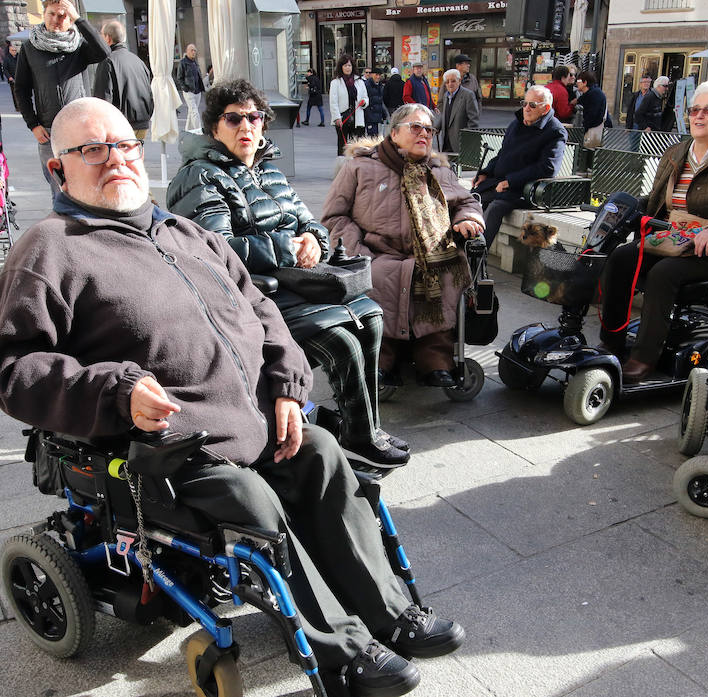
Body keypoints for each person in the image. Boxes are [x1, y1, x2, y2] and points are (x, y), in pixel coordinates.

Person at [0, 97, 465, 696]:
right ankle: (341, 653)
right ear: (57, 167)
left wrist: (289, 389)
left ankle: (392, 616)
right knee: (252, 502)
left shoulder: (185, 231)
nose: (114, 159)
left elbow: (265, 312)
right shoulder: (51, 249)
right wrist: (115, 389)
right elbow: (15, 369)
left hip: (262, 419)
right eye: (91, 149)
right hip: (167, 449)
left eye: (124, 145)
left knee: (323, 455)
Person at [166, 80, 407, 468]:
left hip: (296, 286)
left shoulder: (269, 170)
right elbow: (216, 251)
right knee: (341, 340)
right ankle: (360, 437)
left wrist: (313, 238)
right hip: (250, 298)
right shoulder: (201, 176)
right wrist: (286, 247)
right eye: (233, 119)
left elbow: (310, 220)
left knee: (372, 317)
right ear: (215, 128)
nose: (246, 126)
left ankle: (363, 427)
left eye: (253, 117)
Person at [599, 80, 708, 382]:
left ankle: (643, 358)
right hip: (671, 238)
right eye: (694, 109)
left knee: (664, 273)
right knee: (621, 257)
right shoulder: (677, 151)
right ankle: (611, 341)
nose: (698, 116)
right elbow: (653, 201)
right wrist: (618, 214)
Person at [321, 104, 485, 388]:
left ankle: (435, 360)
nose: (425, 134)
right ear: (394, 133)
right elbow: (334, 216)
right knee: (379, 276)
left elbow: (468, 202)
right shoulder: (360, 166)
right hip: (376, 252)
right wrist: (356, 250)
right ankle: (382, 360)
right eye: (416, 127)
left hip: (432, 253)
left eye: (429, 130)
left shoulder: (439, 171)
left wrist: (467, 219)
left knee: (445, 273)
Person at [14, 0, 109, 200]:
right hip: (49, 131)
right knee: (58, 186)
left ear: (70, 19)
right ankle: (63, 227)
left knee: (86, 180)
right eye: (51, 14)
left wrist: (79, 19)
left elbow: (103, 52)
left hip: (80, 127)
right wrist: (33, 124)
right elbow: (21, 89)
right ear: (44, 14)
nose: (56, 20)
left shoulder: (79, 46)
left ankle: (87, 224)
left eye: (62, 16)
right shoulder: (30, 48)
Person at [472, 85, 567, 250]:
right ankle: (458, 249)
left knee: (496, 207)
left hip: (526, 190)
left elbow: (547, 168)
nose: (526, 108)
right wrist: (485, 173)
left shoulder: (555, 131)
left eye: (532, 105)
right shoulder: (516, 123)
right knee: (471, 198)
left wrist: (510, 181)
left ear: (546, 108)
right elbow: (503, 154)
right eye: (524, 103)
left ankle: (477, 255)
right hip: (501, 182)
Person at [92, 20, 154, 140]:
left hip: (120, 124)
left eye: (101, 36)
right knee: (135, 157)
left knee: (120, 158)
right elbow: (149, 93)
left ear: (108, 38)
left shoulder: (108, 61)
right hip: (142, 123)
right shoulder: (138, 61)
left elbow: (102, 100)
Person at [329, 54, 368, 157]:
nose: (348, 68)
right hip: (343, 118)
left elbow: (366, 97)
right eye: (345, 65)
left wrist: (364, 102)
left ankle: (356, 167)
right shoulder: (335, 82)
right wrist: (337, 118)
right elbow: (333, 102)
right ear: (341, 67)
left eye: (349, 65)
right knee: (343, 146)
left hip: (357, 117)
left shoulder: (359, 81)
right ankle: (342, 168)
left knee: (357, 146)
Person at [434, 68, 479, 153]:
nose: (450, 84)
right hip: (446, 142)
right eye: (447, 82)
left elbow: (473, 121)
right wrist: (437, 127)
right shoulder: (445, 96)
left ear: (459, 81)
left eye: (453, 81)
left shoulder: (468, 95)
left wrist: (467, 140)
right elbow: (445, 114)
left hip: (461, 143)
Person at [574, 70, 607, 148]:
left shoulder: (594, 94)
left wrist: (584, 129)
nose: (576, 83)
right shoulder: (591, 93)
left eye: (578, 81)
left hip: (592, 130)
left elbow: (592, 116)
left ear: (585, 82)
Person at [176, 43, 204, 133]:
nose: (193, 52)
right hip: (189, 91)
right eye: (191, 50)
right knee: (194, 112)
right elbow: (179, 77)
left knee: (191, 112)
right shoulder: (183, 63)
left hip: (197, 91)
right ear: (187, 51)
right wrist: (185, 88)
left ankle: (187, 131)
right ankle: (199, 132)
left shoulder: (195, 62)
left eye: (195, 50)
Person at [364, 67, 389, 137]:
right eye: (376, 75)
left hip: (378, 117)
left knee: (376, 138)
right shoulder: (367, 85)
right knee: (372, 137)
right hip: (369, 117)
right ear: (372, 75)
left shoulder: (380, 85)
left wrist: (384, 114)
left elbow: (380, 102)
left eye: (379, 75)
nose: (378, 77)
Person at [2, 42, 18, 112]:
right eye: (12, 50)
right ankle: (17, 107)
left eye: (15, 50)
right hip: (12, 79)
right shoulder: (7, 59)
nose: (14, 52)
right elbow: (5, 69)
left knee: (22, 93)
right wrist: (9, 77)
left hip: (19, 78)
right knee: (15, 94)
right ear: (9, 50)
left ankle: (22, 106)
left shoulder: (19, 57)